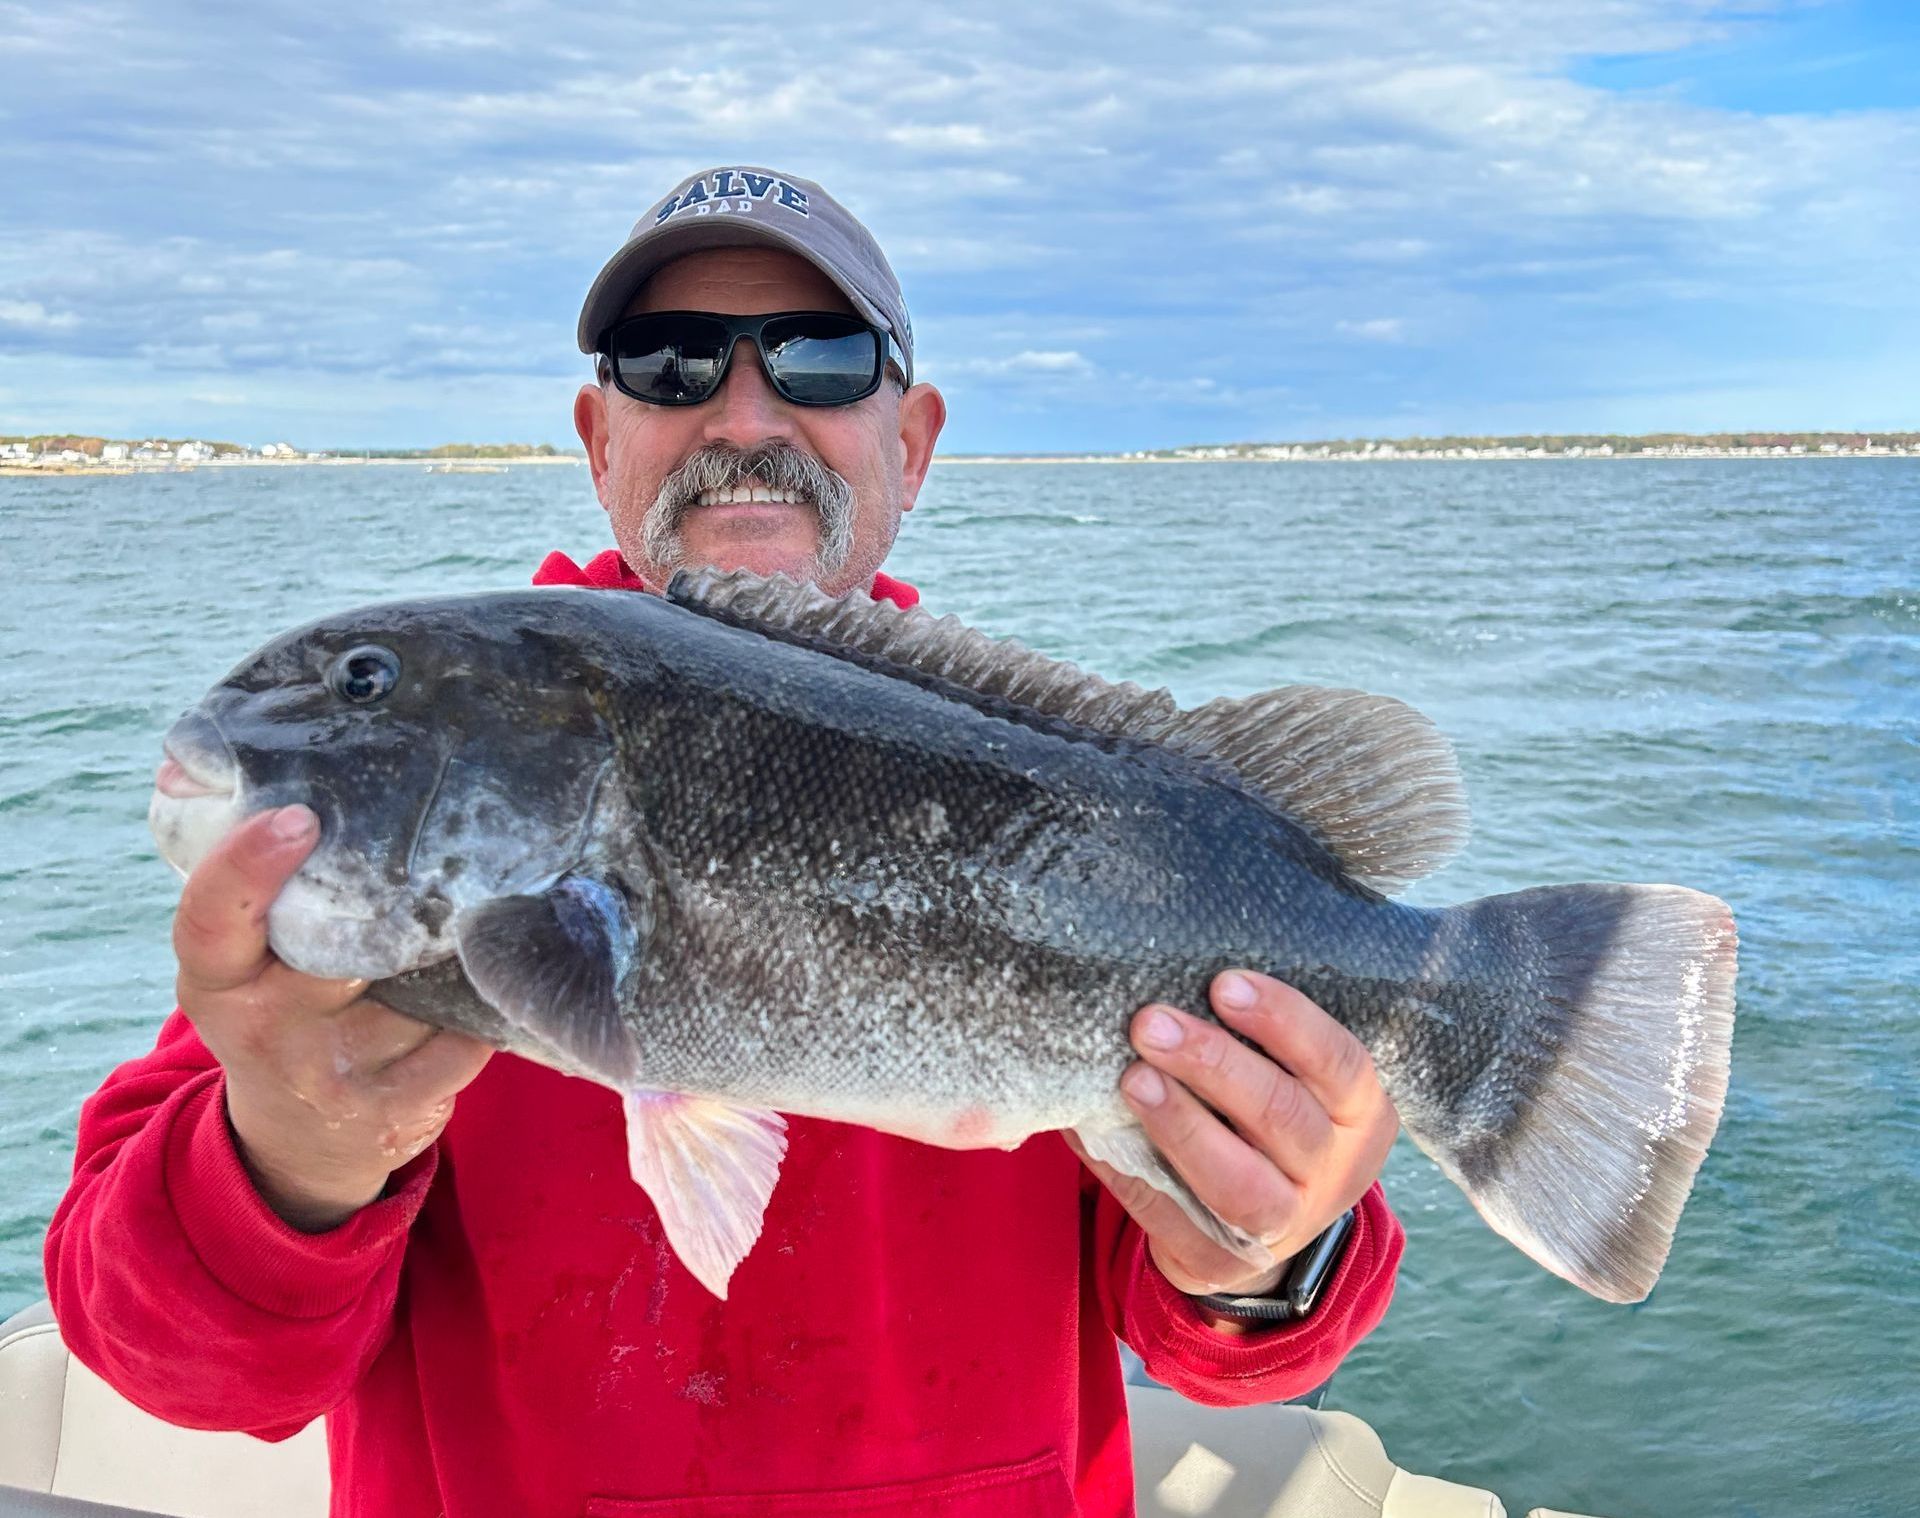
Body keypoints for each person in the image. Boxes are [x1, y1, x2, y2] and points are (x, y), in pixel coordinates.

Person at [46, 166, 1404, 1517]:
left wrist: (1268, 1244)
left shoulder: (1084, 795)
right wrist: (290, 1150)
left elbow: (1234, 1349)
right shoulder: (374, 897)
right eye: (671, 360)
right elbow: (177, 1363)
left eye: (820, 359)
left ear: (914, 442)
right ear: (597, 437)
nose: (743, 413)